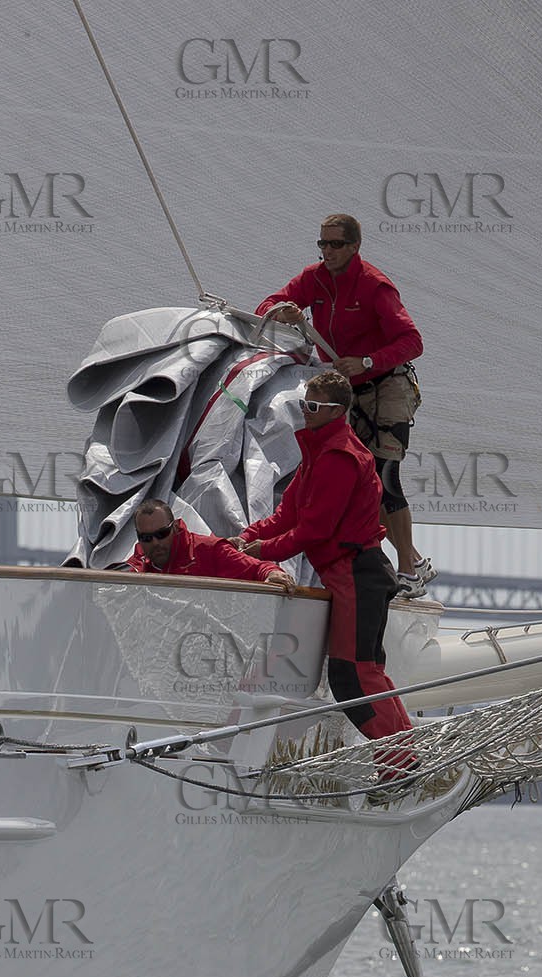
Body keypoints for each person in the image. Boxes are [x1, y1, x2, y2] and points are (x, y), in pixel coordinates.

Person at [237, 370, 415, 782]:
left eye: (313, 407)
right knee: (366, 671)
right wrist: (246, 536)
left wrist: (262, 551)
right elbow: (289, 514)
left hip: (356, 571)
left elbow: (316, 530)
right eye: (304, 405)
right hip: (353, 572)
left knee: (352, 676)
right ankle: (406, 759)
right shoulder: (319, 451)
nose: (305, 413)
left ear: (337, 411)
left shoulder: (339, 455)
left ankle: (399, 766)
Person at [256, 213, 433, 597]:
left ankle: (407, 570)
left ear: (354, 247)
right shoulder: (313, 278)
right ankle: (414, 558)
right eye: (322, 244)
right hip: (347, 391)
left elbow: (412, 341)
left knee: (385, 475)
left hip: (388, 385)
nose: (327, 251)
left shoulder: (375, 286)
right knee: (363, 481)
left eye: (335, 244)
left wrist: (367, 361)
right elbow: (266, 305)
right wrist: (282, 310)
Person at [128, 500, 295, 589]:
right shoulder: (138, 563)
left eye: (162, 533)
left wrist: (272, 574)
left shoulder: (209, 550)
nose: (155, 542)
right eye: (147, 538)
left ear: (176, 527)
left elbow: (258, 568)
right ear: (138, 537)